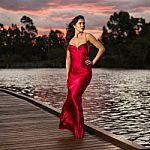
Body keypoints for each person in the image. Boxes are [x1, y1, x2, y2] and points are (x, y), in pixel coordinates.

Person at [59, 15, 105, 139]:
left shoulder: (87, 36)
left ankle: (79, 130)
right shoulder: (70, 41)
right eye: (80, 23)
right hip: (73, 75)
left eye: (84, 23)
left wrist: (93, 62)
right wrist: (67, 76)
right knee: (74, 98)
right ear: (74, 25)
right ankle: (72, 125)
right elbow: (68, 60)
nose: (83, 25)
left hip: (85, 73)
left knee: (74, 96)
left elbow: (101, 48)